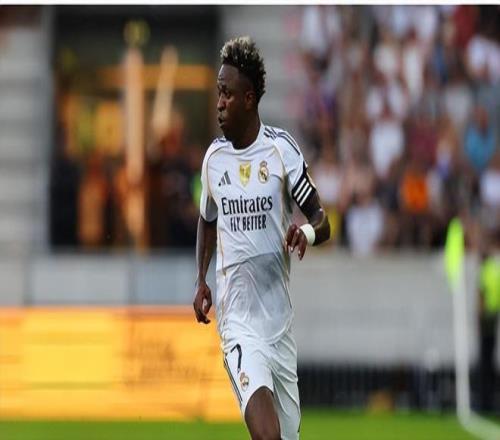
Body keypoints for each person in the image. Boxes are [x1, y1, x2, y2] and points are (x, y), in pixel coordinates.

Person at [193, 36, 330, 440]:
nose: (219, 103)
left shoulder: (281, 152)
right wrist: (201, 279)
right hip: (238, 324)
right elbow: (207, 219)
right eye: (218, 93)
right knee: (267, 436)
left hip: (279, 328)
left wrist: (305, 232)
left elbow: (323, 220)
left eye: (227, 94)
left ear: (249, 99)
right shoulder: (214, 159)